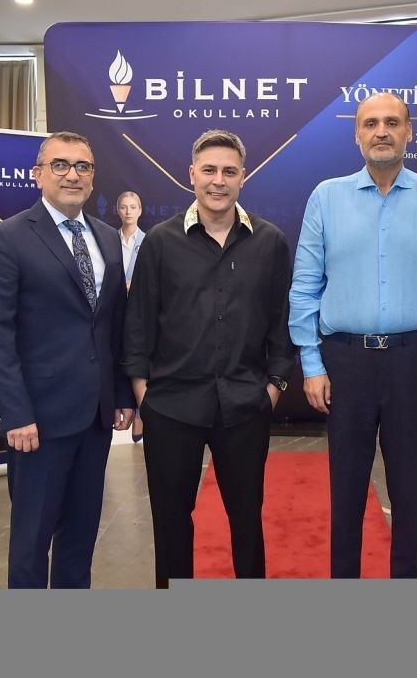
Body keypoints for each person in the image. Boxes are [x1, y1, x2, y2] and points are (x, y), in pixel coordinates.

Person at [290, 91, 417, 578]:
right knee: (346, 491)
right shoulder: (326, 197)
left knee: (408, 493)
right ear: (356, 134)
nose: (381, 132)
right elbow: (304, 288)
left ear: (409, 132)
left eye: (392, 122)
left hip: (414, 362)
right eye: (370, 123)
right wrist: (311, 363)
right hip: (344, 364)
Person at [123, 129, 292, 587]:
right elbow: (138, 322)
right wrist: (143, 393)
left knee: (247, 519)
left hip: (245, 404)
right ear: (191, 174)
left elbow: (282, 320)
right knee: (171, 521)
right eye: (210, 170)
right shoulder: (160, 242)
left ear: (243, 177)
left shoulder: (270, 242)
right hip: (171, 405)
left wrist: (274, 386)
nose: (219, 180)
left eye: (229, 171)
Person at [0, 131, 135, 588]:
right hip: (37, 421)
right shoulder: (5, 238)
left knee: (80, 540)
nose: (72, 175)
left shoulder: (108, 238)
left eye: (83, 166)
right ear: (38, 174)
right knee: (31, 542)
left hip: (96, 416)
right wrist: (15, 413)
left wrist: (122, 393)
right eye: (60, 165)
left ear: (93, 177)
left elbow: (114, 325)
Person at [116, 190, 147, 442]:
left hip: (139, 313)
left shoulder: (149, 242)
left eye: (133, 207)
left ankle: (139, 415)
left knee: (138, 360)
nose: (128, 212)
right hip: (114, 312)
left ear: (140, 210)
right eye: (124, 207)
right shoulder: (108, 240)